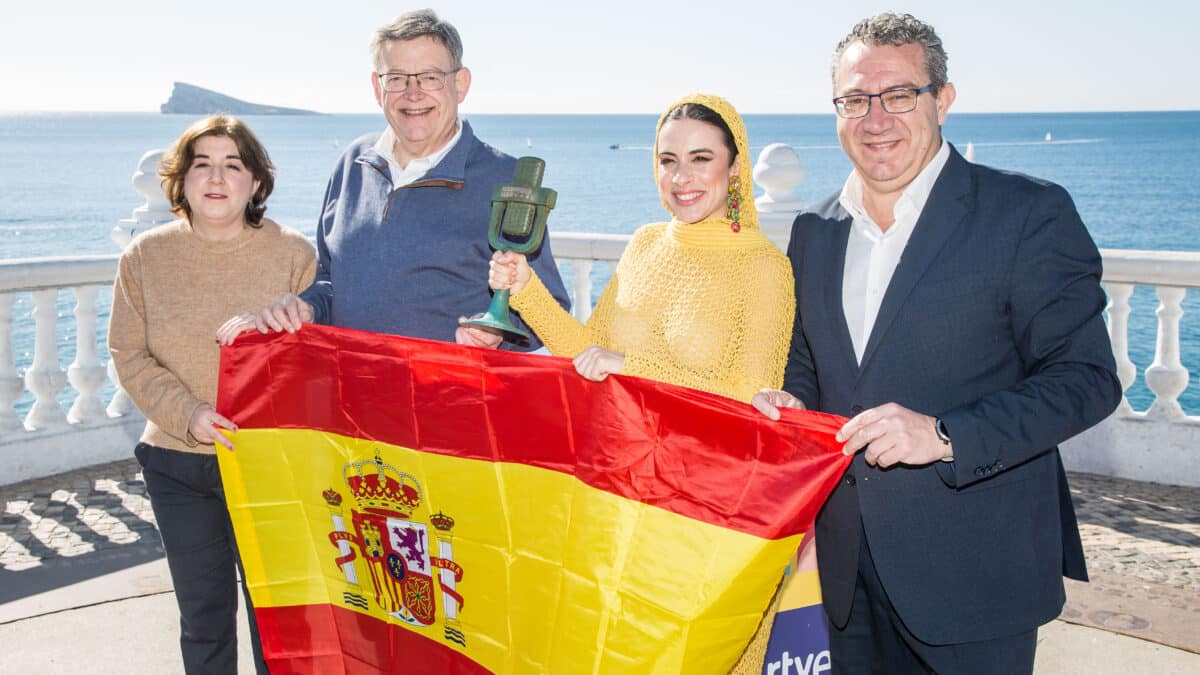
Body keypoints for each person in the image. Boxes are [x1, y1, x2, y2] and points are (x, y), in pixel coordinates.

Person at [751, 12, 1121, 674]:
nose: (875, 118)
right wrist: (792, 399)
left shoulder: (1026, 213)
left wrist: (944, 434)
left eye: (899, 95)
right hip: (844, 574)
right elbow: (810, 363)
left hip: (976, 578)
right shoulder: (815, 230)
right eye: (855, 100)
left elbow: (1086, 378)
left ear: (943, 100)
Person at [489, 93, 795, 670]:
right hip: (620, 505)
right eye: (667, 160)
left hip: (702, 522)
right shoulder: (645, 244)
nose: (681, 178)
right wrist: (525, 290)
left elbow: (752, 408)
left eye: (701, 159)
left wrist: (633, 369)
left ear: (735, 168)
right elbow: (588, 352)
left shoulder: (763, 267)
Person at [108, 115, 317, 674]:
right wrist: (190, 414)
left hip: (272, 467)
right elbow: (128, 354)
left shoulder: (296, 255)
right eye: (202, 164)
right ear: (180, 181)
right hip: (179, 466)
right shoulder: (144, 257)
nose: (217, 177)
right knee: (203, 620)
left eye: (234, 164)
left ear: (256, 182)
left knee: (280, 621)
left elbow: (318, 361)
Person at [250, 9, 568, 348]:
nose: (413, 93)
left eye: (430, 77)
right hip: (350, 393)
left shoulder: (506, 179)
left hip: (453, 396)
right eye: (397, 78)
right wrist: (308, 307)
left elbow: (547, 314)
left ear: (460, 84)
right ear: (377, 87)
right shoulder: (352, 164)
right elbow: (332, 280)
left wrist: (495, 336)